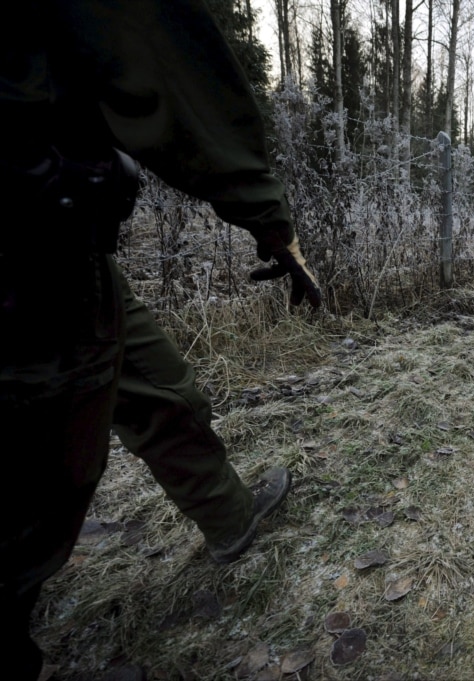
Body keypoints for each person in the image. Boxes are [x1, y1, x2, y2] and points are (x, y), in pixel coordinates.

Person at [0, 2, 322, 678]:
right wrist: (267, 214)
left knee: (158, 382)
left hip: (65, 245)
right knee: (27, 503)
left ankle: (230, 518)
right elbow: (151, 48)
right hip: (24, 252)